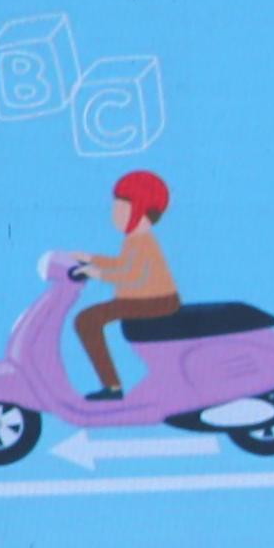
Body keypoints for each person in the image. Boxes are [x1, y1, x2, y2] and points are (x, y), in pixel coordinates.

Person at [68, 170, 181, 399]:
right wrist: (91, 259)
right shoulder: (135, 240)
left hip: (153, 302)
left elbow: (132, 274)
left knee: (87, 321)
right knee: (88, 320)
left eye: (121, 209)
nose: (115, 215)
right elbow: (122, 264)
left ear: (140, 210)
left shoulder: (142, 241)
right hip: (141, 300)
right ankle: (112, 385)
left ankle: (112, 387)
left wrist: (96, 273)